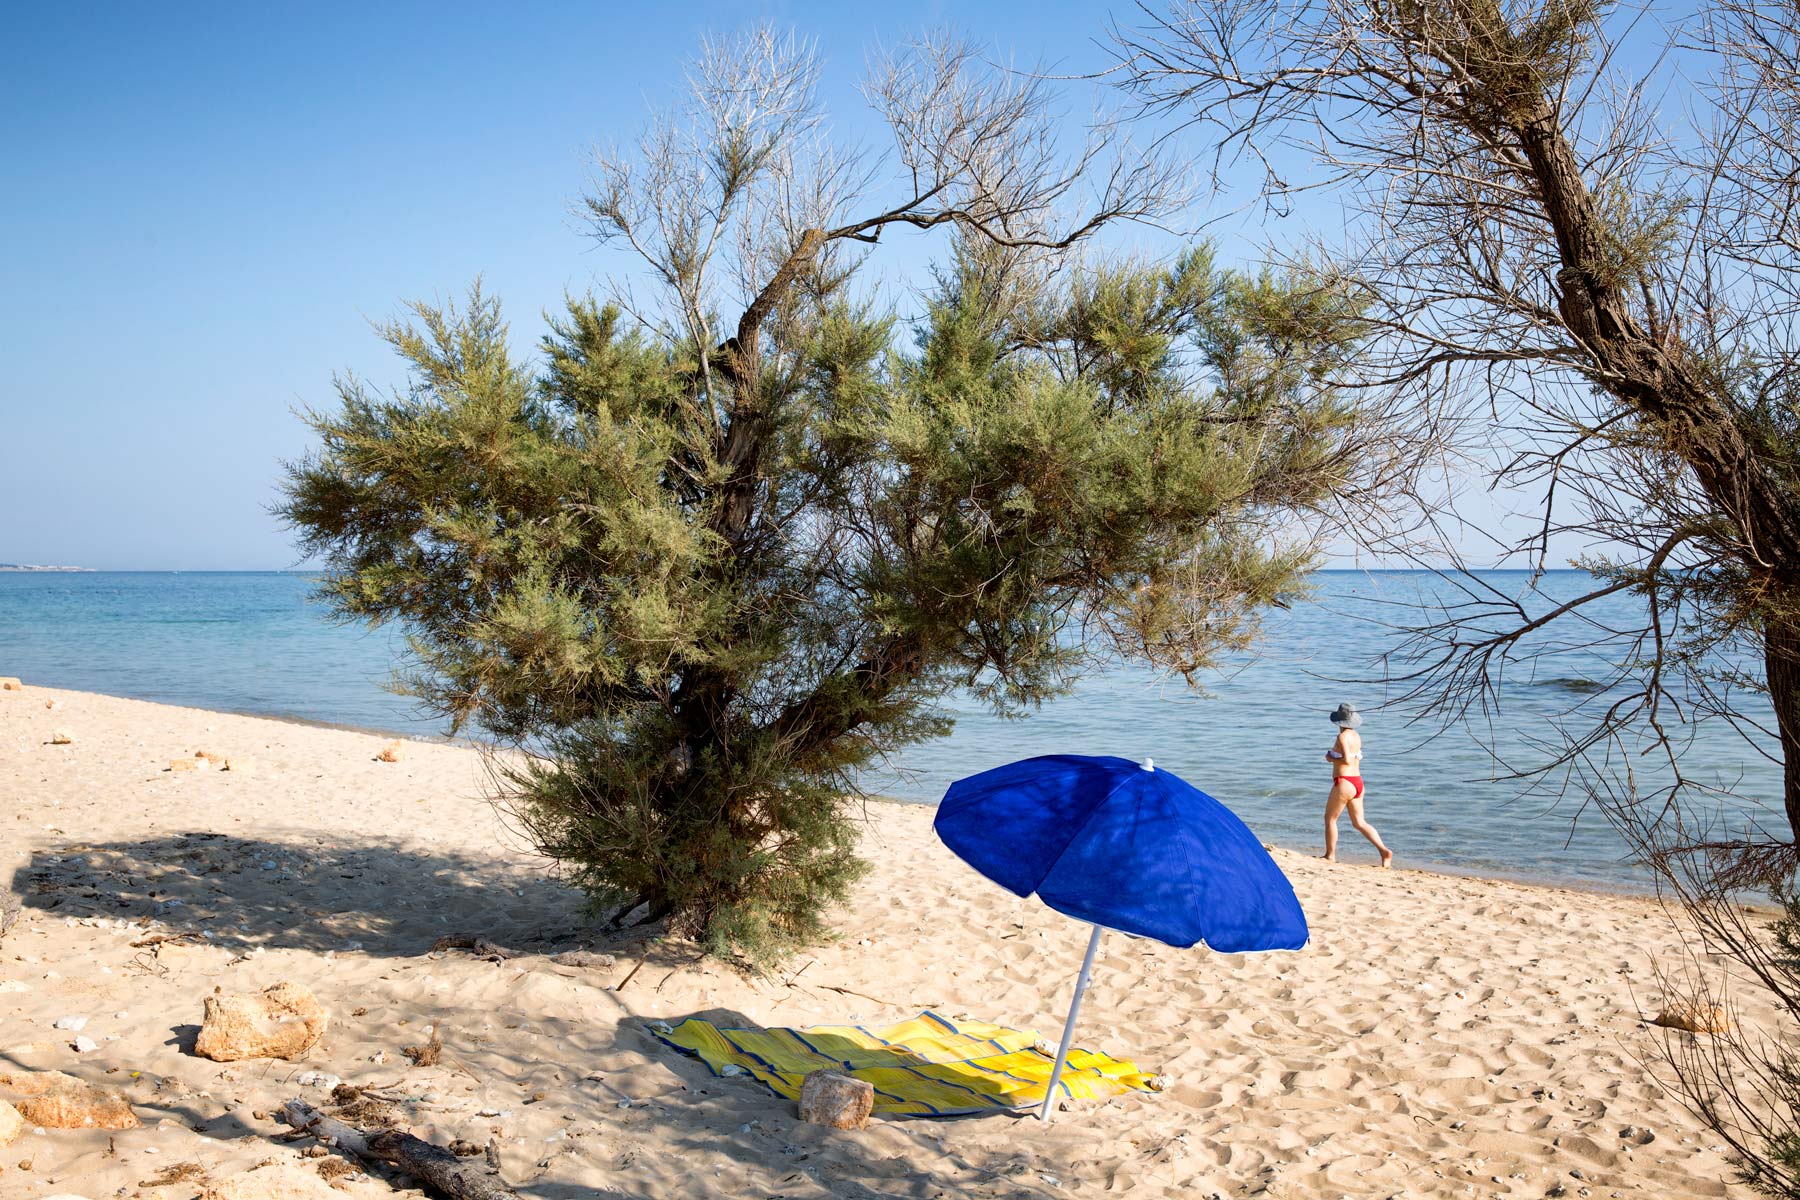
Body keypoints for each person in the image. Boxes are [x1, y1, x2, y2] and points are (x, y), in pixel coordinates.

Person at [1323, 702, 1393, 868]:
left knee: (1330, 819)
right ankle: (1384, 851)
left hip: (1344, 782)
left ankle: (1330, 855)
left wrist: (1331, 758)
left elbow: (1347, 760)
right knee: (1359, 822)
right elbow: (1354, 757)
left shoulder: (1342, 737)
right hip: (1357, 782)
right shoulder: (1356, 736)